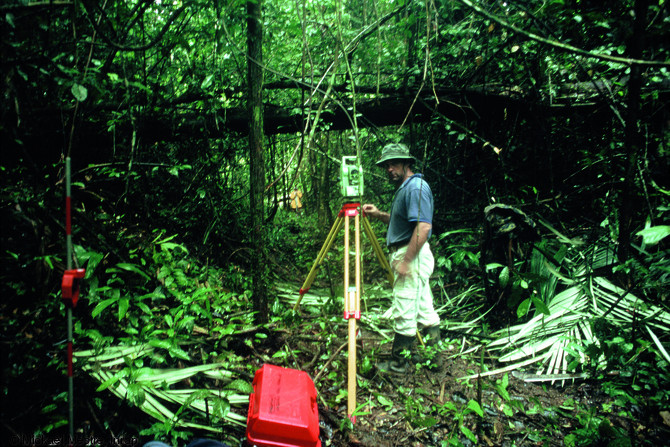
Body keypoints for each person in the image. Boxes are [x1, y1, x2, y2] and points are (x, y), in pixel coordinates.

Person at [362, 143, 441, 374]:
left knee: (405, 307)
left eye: (394, 163)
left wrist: (406, 261)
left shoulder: (416, 187)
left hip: (412, 254)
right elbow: (403, 224)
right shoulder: (406, 188)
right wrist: (378, 215)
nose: (389, 169)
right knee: (424, 309)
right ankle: (434, 360)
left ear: (407, 163)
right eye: (386, 165)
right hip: (412, 252)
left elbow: (423, 227)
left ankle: (399, 364)